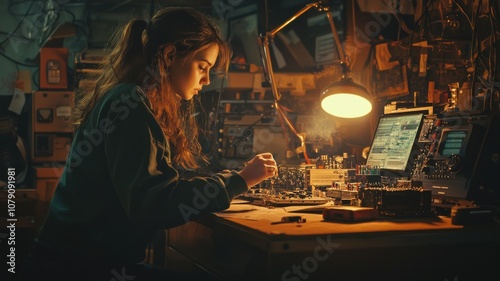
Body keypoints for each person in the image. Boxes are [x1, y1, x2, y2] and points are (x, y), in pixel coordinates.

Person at [20, 6, 277, 281]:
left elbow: (155, 180)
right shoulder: (130, 103)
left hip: (79, 262)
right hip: (75, 269)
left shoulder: (132, 98)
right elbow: (154, 204)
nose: (206, 80)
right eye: (202, 66)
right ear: (169, 55)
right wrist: (239, 180)